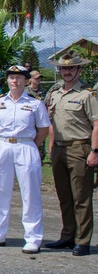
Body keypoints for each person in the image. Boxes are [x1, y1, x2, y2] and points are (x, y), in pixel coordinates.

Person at [0, 65, 50, 253]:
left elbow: (44, 129)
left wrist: (31, 145)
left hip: (25, 145)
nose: (15, 81)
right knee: (0, 191)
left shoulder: (35, 103)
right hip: (3, 145)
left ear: (26, 81)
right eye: (12, 77)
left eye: (19, 78)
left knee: (30, 194)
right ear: (7, 80)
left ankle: (33, 237)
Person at [43, 54, 98, 256]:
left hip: (79, 148)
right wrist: (50, 146)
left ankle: (83, 240)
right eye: (63, 69)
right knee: (64, 196)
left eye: (71, 69)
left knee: (81, 198)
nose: (66, 72)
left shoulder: (87, 95)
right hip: (58, 148)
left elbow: (96, 124)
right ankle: (67, 236)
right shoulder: (55, 93)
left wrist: (94, 151)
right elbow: (51, 122)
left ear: (79, 71)